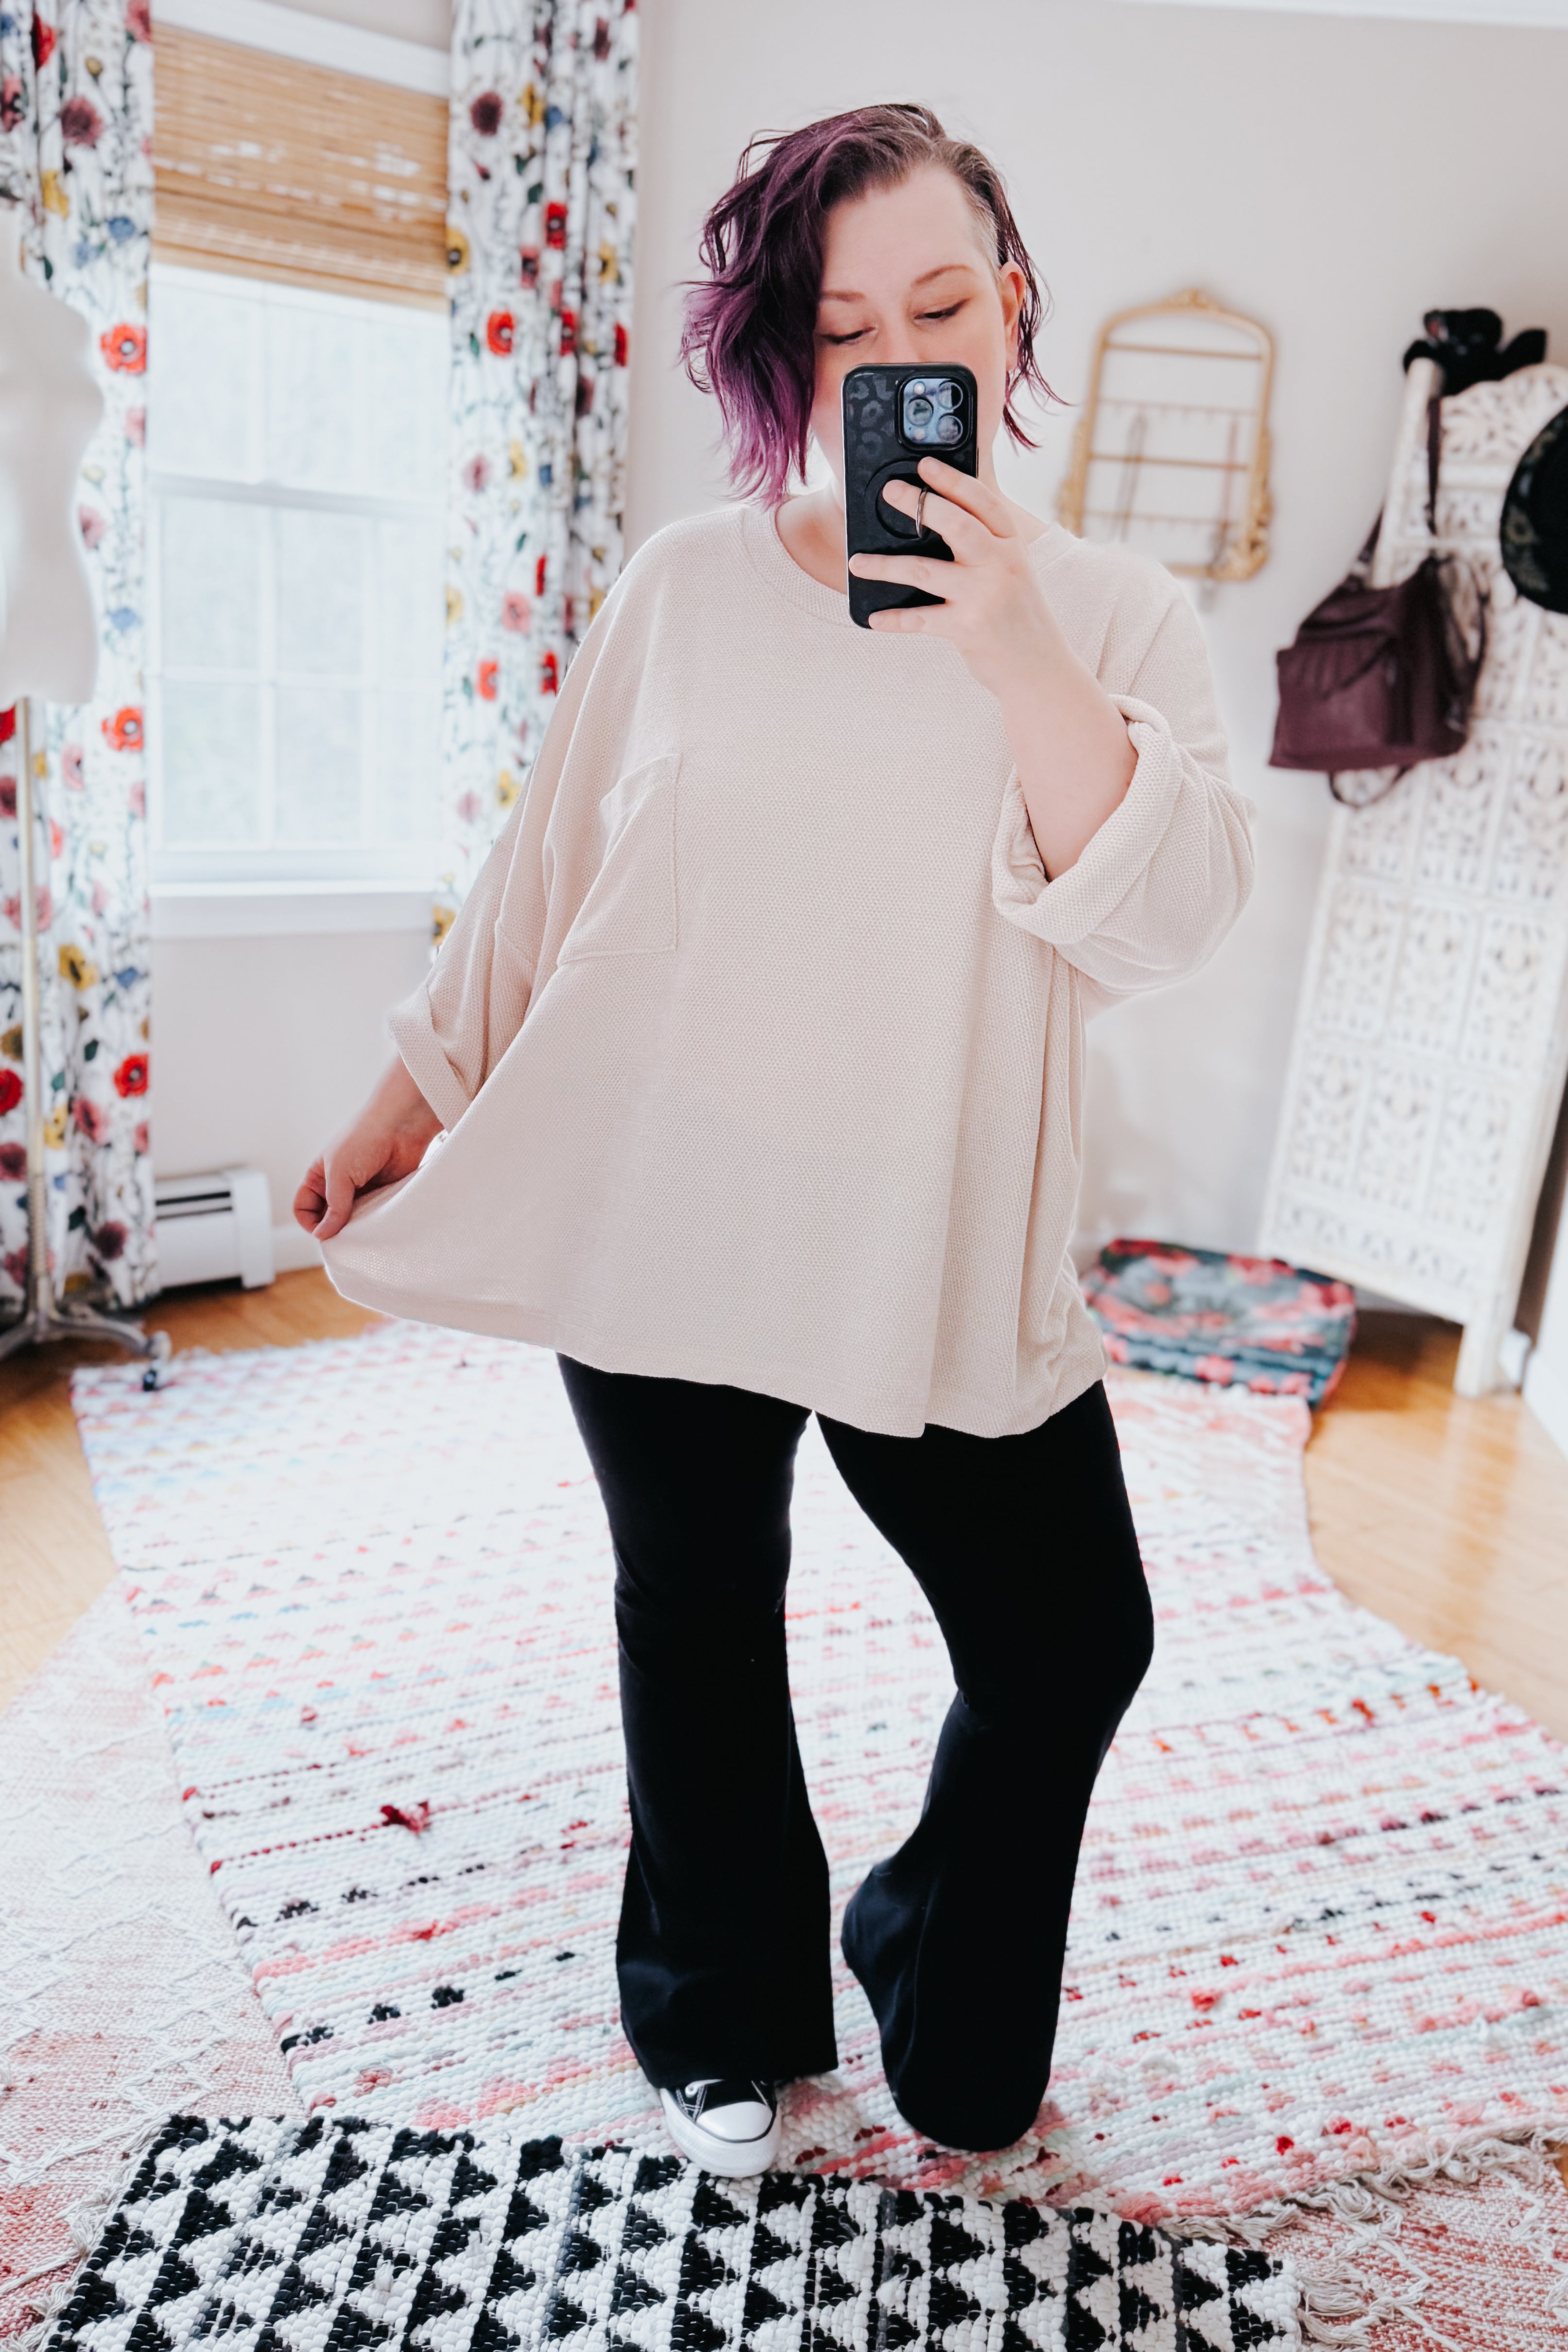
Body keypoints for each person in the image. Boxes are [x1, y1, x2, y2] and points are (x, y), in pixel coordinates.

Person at [297, 103, 1254, 2179]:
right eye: (841, 328)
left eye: (936, 304)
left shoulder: (1111, 616)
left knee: (1074, 1640)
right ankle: (723, 2005)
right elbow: (553, 872)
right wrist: (414, 1085)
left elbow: (1165, 922)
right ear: (783, 360)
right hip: (672, 1193)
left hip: (935, 1227)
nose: (896, 353)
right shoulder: (687, 589)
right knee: (699, 1602)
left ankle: (924, 1940)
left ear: (1007, 309)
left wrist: (1011, 650)